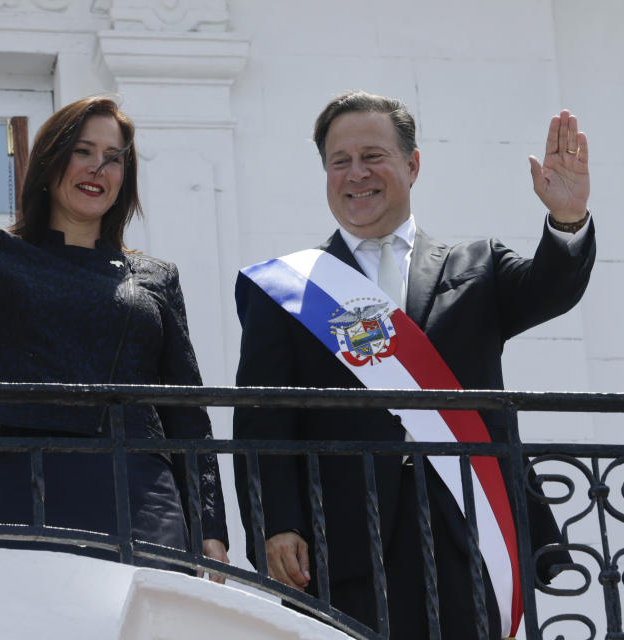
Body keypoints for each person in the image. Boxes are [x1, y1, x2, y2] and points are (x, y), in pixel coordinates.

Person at [233, 90, 594, 637]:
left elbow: (551, 289)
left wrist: (567, 220)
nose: (356, 174)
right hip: (342, 537)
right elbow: (264, 417)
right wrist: (275, 524)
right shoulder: (291, 290)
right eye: (340, 161)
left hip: (465, 525)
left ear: (412, 164)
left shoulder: (477, 265)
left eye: (372, 156)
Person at [0, 16, 228, 577]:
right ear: (48, 165)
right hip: (33, 482)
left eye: (113, 158)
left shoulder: (155, 276)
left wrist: (211, 531)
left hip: (143, 486)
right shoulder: (0, 255)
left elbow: (185, 411)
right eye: (83, 150)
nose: (98, 168)